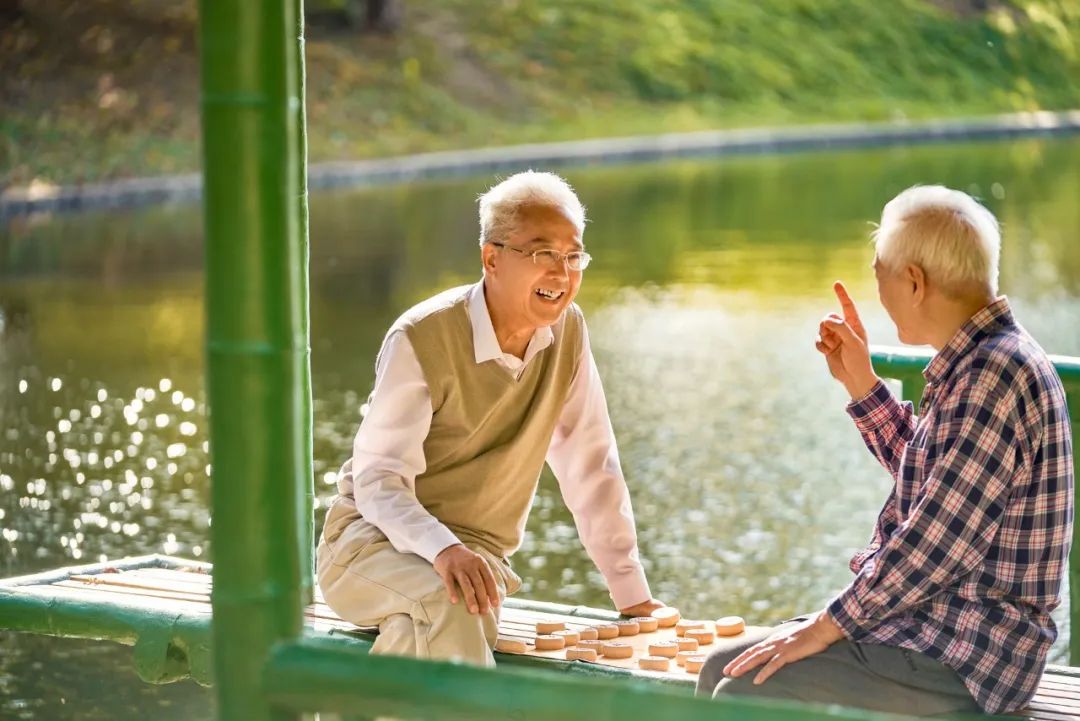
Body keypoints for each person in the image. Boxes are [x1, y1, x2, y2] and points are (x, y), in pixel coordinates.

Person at [697, 185, 1073, 716]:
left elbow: (935, 545)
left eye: (881, 275)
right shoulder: (977, 361)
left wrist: (828, 626)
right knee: (722, 667)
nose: (879, 293)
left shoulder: (994, 374)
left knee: (745, 693)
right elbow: (934, 485)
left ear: (914, 282)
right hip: (928, 629)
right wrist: (863, 386)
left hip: (969, 656)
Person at [317, 170, 666, 668]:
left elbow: (591, 464)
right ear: (492, 258)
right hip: (367, 548)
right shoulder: (421, 337)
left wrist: (631, 594)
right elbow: (378, 482)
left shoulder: (568, 332)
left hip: (477, 562)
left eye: (573, 256)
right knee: (452, 604)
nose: (562, 274)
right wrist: (444, 550)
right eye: (543, 254)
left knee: (435, 617)